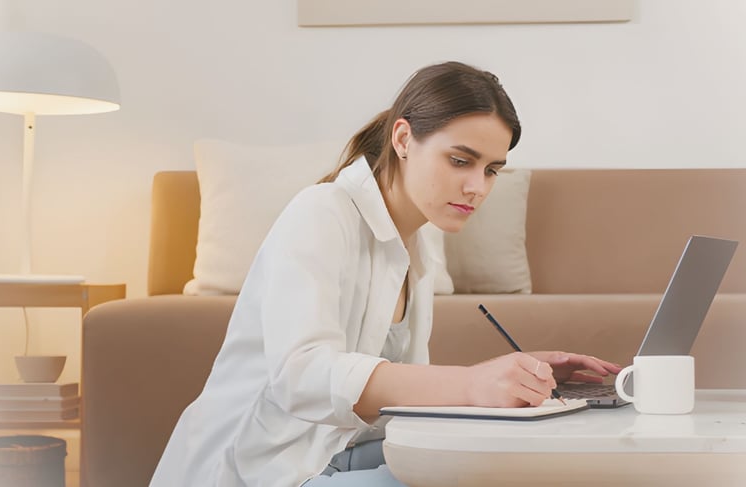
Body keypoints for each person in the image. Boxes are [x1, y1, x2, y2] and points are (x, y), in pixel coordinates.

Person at [149, 61, 622, 487]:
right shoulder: (322, 211)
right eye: (460, 161)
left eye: (492, 169)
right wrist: (472, 385)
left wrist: (514, 376)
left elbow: (392, 394)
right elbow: (302, 376)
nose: (477, 187)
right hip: (265, 465)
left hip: (337, 452)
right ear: (402, 139)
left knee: (512, 465)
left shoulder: (417, 245)